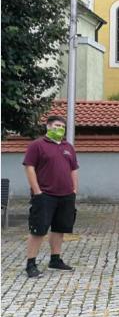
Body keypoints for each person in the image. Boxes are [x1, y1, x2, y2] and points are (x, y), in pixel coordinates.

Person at [22, 116, 79, 278]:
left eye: (62, 126)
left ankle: (55, 260)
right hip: (45, 195)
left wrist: (74, 190)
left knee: (60, 229)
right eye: (56, 125)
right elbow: (29, 167)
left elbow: (74, 169)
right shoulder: (37, 145)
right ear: (48, 126)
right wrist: (37, 191)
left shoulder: (68, 147)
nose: (59, 128)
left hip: (66, 195)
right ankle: (31, 264)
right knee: (38, 230)